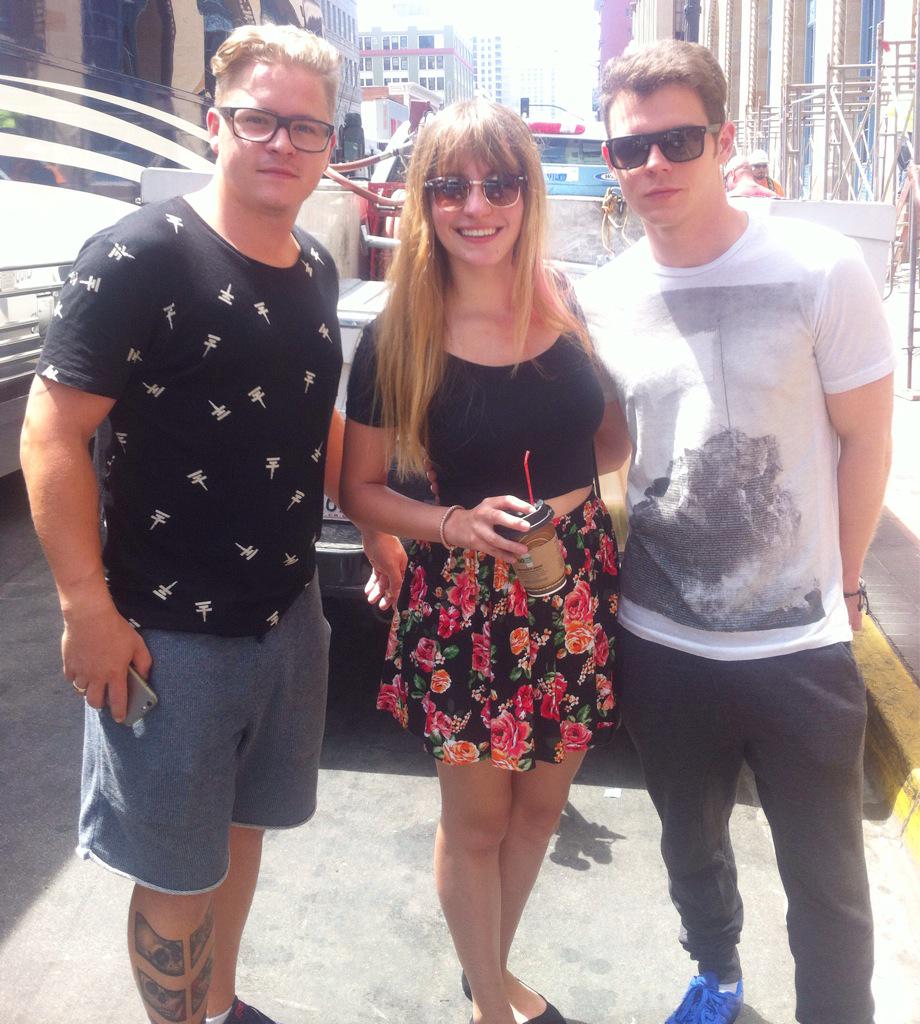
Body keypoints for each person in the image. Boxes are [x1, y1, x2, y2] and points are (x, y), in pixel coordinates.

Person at [20, 24, 404, 1024]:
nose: (281, 143)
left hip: (286, 617)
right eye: (258, 119)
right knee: (176, 872)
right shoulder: (140, 256)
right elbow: (52, 433)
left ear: (330, 144)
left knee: (240, 833)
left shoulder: (313, 265)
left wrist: (372, 523)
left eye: (305, 128)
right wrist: (85, 608)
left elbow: (307, 411)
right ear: (214, 122)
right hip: (167, 636)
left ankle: (217, 1006)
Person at [578, 40, 893, 1024]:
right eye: (629, 149)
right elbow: (611, 450)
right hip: (661, 641)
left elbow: (865, 441)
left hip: (800, 647)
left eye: (677, 140)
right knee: (689, 845)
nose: (653, 165)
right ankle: (715, 974)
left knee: (828, 884)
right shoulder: (603, 295)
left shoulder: (819, 269)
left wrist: (843, 585)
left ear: (720, 141)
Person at [339, 99, 626, 1024]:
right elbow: (360, 490)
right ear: (422, 200)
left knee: (539, 812)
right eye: (450, 186)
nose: (477, 206)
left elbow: (610, 441)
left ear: (528, 193)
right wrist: (453, 523)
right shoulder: (399, 334)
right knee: (477, 823)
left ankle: (487, 976)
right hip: (465, 598)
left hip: (572, 582)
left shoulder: (564, 299)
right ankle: (493, 1010)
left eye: (500, 184)